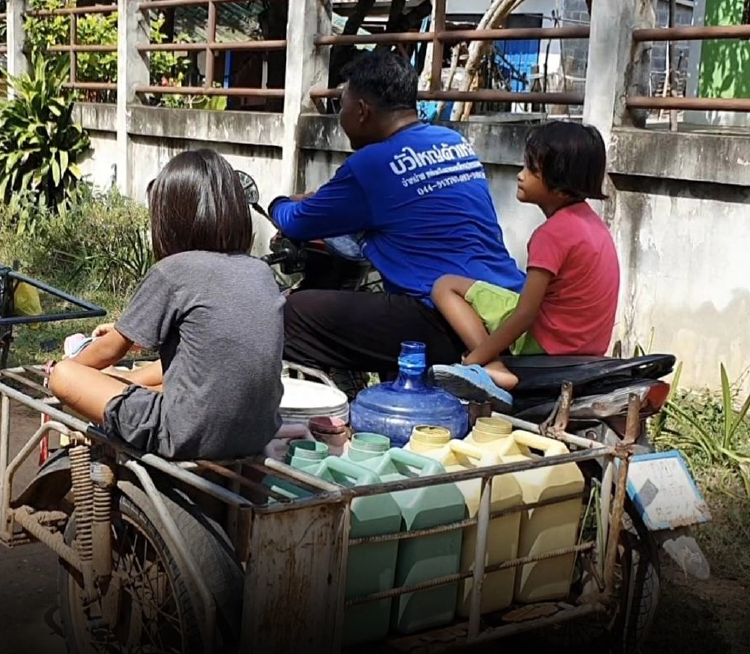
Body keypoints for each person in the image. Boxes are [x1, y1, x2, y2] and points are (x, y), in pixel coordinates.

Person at [262, 50, 526, 398]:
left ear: (361, 110)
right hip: (501, 301)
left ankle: (342, 397)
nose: (341, 115)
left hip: (441, 317)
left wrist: (280, 202)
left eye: (342, 106)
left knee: (287, 315)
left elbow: (297, 222)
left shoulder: (371, 164)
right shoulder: (452, 142)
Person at [47, 149, 285, 460]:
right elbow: (210, 360)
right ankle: (122, 383)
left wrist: (67, 365)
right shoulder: (260, 271)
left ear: (169, 218)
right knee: (163, 377)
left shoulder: (173, 271)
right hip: (258, 431)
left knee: (64, 376)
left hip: (185, 434)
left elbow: (109, 351)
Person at [428, 121, 620, 407]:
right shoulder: (593, 225)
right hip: (587, 344)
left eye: (531, 170)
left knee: (445, 286)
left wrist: (474, 360)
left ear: (560, 185)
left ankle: (493, 367)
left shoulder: (552, 234)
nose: (520, 175)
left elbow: (525, 314)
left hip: (547, 344)